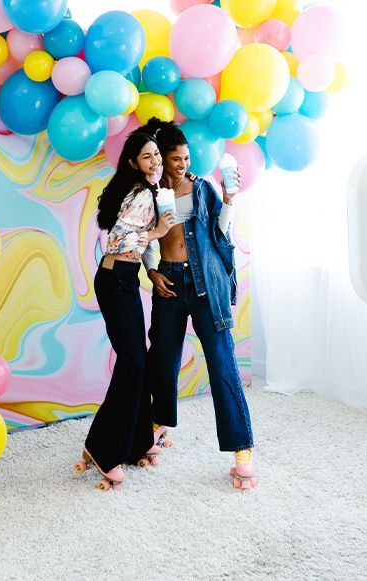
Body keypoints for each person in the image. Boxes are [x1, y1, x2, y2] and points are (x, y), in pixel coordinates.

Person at [142, 118, 256, 490]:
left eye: (187, 158)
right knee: (163, 357)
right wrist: (153, 272)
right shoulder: (149, 193)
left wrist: (229, 200)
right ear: (161, 160)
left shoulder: (203, 188)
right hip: (170, 280)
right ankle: (158, 425)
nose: (183, 165)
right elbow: (142, 238)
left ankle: (242, 448)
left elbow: (222, 232)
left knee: (222, 362)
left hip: (207, 282)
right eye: (176, 159)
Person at [75, 130, 175, 489]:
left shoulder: (148, 192)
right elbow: (118, 238)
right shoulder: (142, 194)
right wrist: (159, 231)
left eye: (157, 156)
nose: (156, 162)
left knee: (137, 360)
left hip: (123, 278)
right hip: (116, 279)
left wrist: (151, 268)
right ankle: (104, 448)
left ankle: (134, 444)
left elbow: (136, 242)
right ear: (133, 162)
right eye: (148, 156)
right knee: (134, 361)